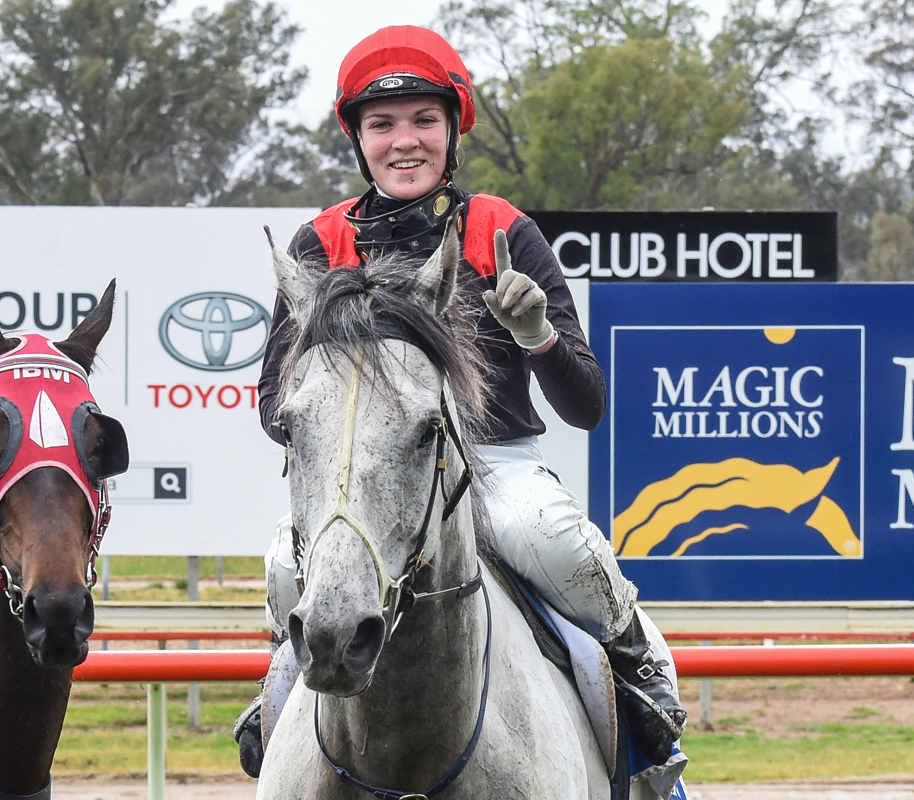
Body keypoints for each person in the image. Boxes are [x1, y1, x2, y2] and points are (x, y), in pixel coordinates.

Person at [235, 25, 686, 776]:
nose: (403, 141)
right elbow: (270, 405)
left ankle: (642, 679)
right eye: (381, 124)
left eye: (424, 121)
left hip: (497, 465)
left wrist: (537, 334)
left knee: (548, 534)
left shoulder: (501, 229)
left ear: (453, 131)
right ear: (358, 138)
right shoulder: (318, 243)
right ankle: (280, 691)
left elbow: (588, 405)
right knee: (287, 563)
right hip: (365, 473)